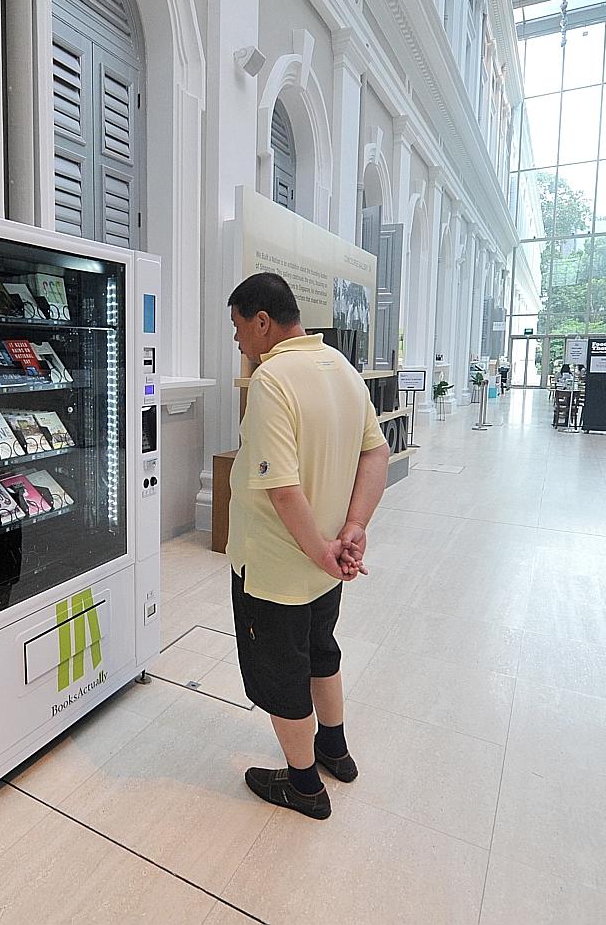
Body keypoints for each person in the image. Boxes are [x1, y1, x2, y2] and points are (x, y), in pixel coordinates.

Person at [225, 272, 389, 821]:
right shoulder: (341, 368)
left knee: (281, 672)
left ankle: (303, 786)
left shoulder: (271, 380)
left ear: (263, 321)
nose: (238, 340)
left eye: (238, 327)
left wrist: (320, 550)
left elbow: (281, 487)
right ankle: (333, 749)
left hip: (276, 568)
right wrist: (353, 529)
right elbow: (376, 453)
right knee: (322, 650)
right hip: (326, 565)